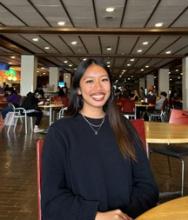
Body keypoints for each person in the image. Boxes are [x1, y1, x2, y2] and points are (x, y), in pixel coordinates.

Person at [41, 59, 159, 220]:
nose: (98, 87)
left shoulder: (124, 127)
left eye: (104, 80)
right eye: (89, 81)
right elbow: (52, 200)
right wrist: (96, 216)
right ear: (78, 89)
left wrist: (124, 215)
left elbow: (147, 186)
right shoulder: (60, 133)